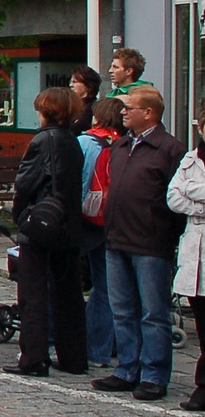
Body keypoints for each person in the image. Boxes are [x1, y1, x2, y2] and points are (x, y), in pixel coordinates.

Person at [93, 87, 185, 400]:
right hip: (116, 237)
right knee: (122, 310)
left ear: (148, 112)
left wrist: (165, 235)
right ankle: (127, 368)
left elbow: (176, 200)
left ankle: (154, 374)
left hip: (150, 242)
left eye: (129, 107)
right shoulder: (120, 146)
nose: (123, 111)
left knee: (153, 313)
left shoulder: (169, 149)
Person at [7, 87, 86, 376]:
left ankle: (34, 357)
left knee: (33, 294)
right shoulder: (72, 140)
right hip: (67, 224)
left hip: (42, 222)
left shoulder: (43, 140)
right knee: (68, 294)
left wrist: (20, 215)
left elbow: (25, 183)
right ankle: (74, 357)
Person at [164, 100, 205, 411]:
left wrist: (193, 191)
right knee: (202, 324)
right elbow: (173, 197)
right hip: (195, 249)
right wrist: (198, 204)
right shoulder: (192, 158)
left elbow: (187, 192)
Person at [78, 97, 124, 367]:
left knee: (67, 281)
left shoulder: (86, 142)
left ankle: (74, 340)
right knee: (106, 288)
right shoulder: (123, 143)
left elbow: (80, 181)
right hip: (111, 221)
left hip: (85, 220)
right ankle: (101, 349)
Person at [69, 65, 101, 136]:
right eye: (71, 82)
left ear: (87, 86)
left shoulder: (93, 108)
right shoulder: (72, 106)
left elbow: (76, 129)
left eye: (75, 82)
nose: (71, 85)